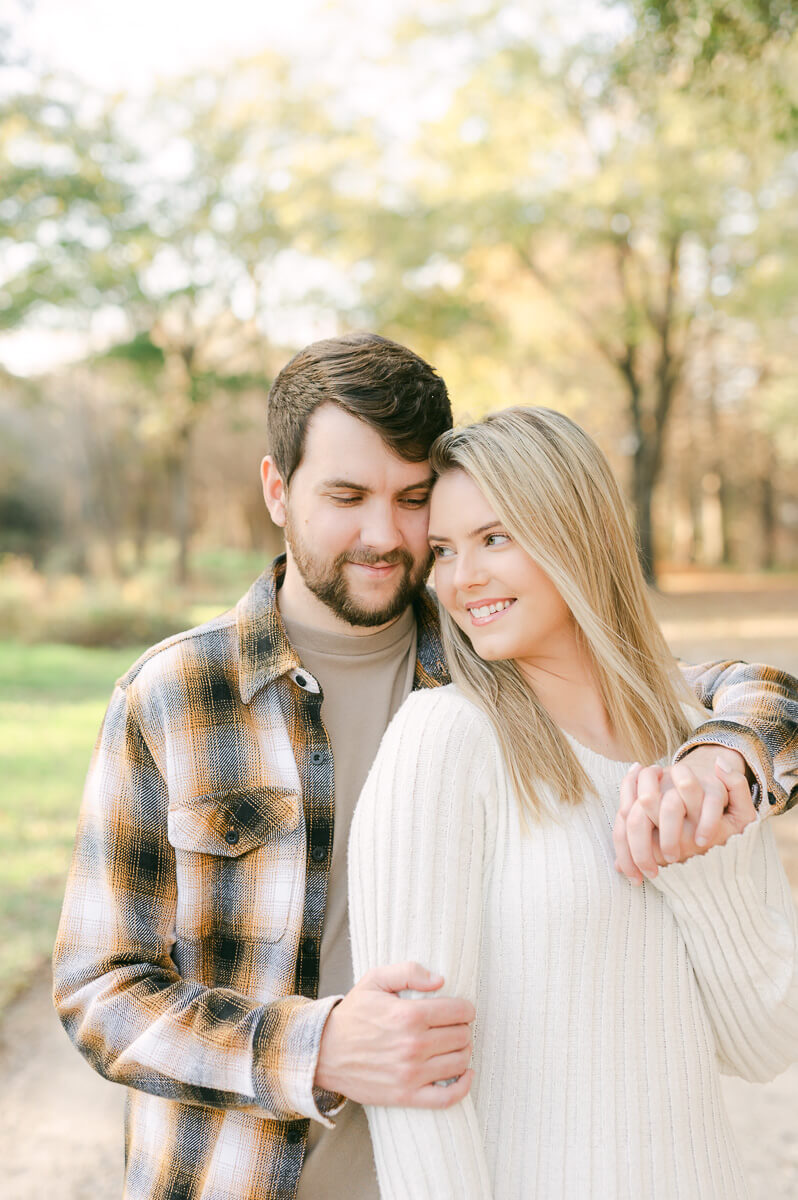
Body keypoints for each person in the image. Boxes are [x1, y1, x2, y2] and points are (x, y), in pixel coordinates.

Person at [52, 335, 796, 1200]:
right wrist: (315, 1045)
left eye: (412, 501)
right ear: (275, 490)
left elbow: (713, 692)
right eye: (346, 495)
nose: (383, 534)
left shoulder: (487, 650)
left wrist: (725, 753)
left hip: (468, 1160)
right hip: (249, 1178)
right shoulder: (176, 696)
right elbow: (99, 989)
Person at [348, 405, 798, 1200]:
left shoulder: (704, 747)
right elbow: (417, 1088)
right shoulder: (446, 739)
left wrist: (702, 861)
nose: (462, 579)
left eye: (495, 538)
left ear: (575, 531)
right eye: (445, 551)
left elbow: (763, 1046)